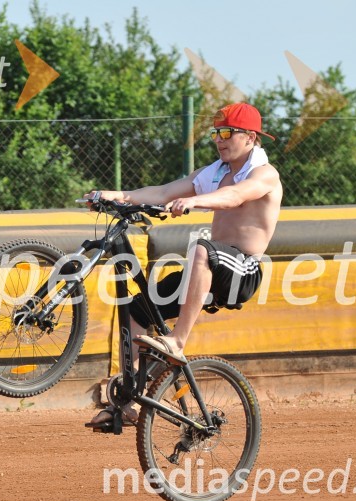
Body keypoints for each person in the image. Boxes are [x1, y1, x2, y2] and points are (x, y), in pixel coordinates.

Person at [84, 102, 282, 429]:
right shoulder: (216, 171)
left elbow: (235, 197)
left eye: (227, 133)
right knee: (136, 309)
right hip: (212, 268)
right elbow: (164, 191)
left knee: (201, 248)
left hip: (242, 271)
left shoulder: (265, 174)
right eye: (216, 133)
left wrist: (194, 201)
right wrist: (115, 195)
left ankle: (177, 341)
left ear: (249, 137)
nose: (219, 139)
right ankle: (130, 402)